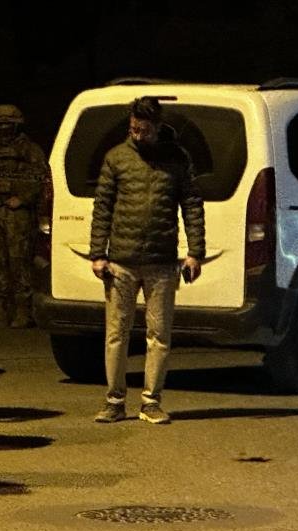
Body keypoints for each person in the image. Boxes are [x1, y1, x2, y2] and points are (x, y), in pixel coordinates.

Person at [90, 96, 204, 425]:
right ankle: (114, 401)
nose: (137, 135)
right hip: (121, 262)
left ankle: (151, 401)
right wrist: (98, 253)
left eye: (143, 130)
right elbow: (102, 206)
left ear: (157, 126)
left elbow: (192, 204)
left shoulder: (177, 159)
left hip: (162, 262)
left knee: (159, 335)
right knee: (116, 334)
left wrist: (195, 252)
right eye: (133, 129)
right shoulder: (116, 157)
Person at [0, 104, 50, 328]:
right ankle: (0, 310)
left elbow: (41, 178)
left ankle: (24, 312)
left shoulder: (29, 150)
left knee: (19, 260)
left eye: (6, 124)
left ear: (16, 124)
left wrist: (23, 198)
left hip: (18, 214)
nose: (2, 128)